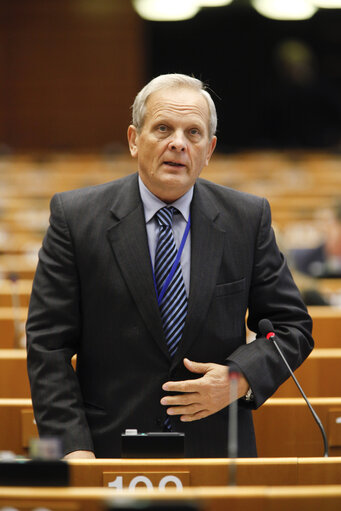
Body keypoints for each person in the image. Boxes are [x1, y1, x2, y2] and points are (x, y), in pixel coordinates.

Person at [26, 73, 313, 459]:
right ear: (133, 139)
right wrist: (71, 447)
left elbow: (291, 326)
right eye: (163, 128)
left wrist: (239, 378)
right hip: (105, 450)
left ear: (208, 149)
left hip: (216, 450)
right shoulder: (75, 218)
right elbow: (48, 345)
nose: (178, 143)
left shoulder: (247, 218)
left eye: (193, 133)